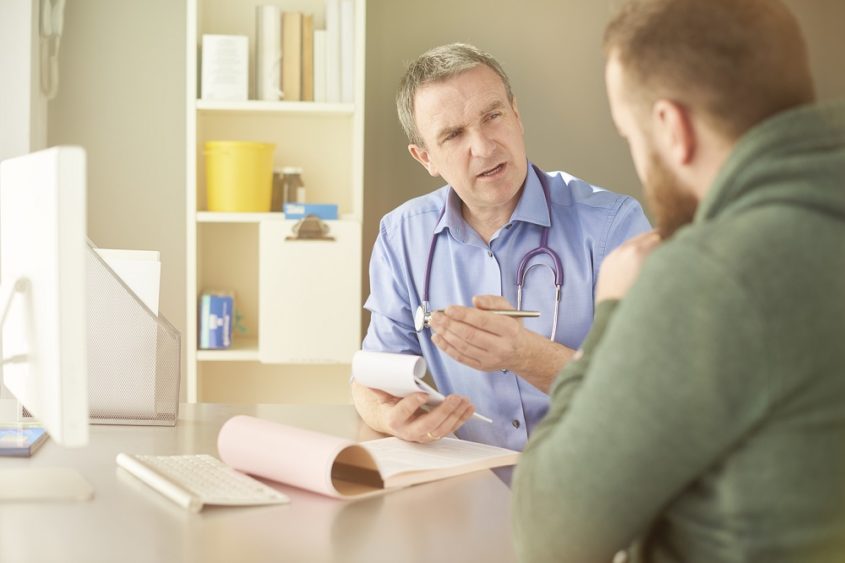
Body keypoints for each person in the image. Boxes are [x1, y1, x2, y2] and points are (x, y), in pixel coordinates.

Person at [512, 0, 845, 561]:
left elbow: (547, 537)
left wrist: (610, 316)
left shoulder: (711, 276)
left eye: (629, 135)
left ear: (671, 128)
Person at [352, 43, 650, 455]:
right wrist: (391, 418)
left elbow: (646, 391)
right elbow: (372, 379)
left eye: (492, 116)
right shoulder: (402, 236)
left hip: (592, 484)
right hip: (469, 483)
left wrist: (525, 354)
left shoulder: (613, 226)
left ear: (517, 115)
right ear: (426, 158)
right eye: (453, 135)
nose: (484, 147)